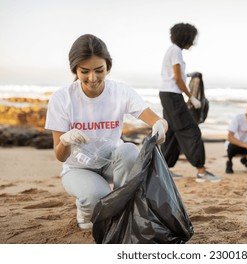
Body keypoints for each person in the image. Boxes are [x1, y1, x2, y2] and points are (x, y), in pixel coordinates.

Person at [45, 34, 168, 229]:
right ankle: (86, 208)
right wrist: (66, 141)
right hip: (78, 168)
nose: (92, 78)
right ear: (75, 69)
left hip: (112, 161)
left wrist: (160, 125)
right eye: (84, 71)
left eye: (99, 70)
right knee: (96, 197)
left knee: (129, 150)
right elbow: (60, 156)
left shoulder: (120, 92)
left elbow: (156, 119)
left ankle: (122, 206)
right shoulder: (62, 98)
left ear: (108, 67)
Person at [159, 23, 221, 183]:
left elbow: (176, 75)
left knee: (171, 133)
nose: (193, 42)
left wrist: (190, 75)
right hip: (173, 96)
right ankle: (201, 172)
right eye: (192, 38)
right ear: (186, 37)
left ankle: (163, 170)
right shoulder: (176, 51)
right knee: (191, 131)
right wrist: (191, 97)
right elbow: (178, 78)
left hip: (166, 94)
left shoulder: (172, 50)